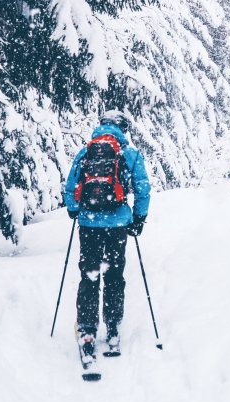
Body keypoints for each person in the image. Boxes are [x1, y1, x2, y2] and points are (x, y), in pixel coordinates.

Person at [64, 110, 151, 363]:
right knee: (114, 275)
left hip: (89, 224)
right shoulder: (130, 154)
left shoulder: (85, 152)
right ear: (123, 128)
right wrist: (138, 218)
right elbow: (143, 188)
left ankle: (88, 330)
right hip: (118, 225)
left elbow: (71, 187)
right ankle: (112, 329)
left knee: (90, 274)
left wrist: (74, 209)